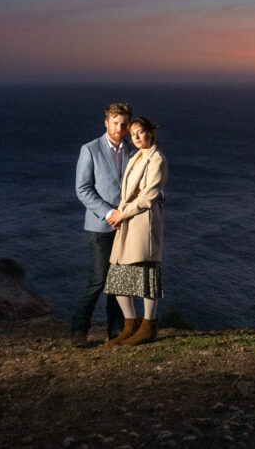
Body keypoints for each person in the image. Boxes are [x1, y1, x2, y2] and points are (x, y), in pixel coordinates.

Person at [70, 102, 132, 348]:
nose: (120, 127)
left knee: (121, 279)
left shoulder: (133, 149)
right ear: (106, 123)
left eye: (124, 123)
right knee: (98, 280)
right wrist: (109, 212)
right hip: (100, 225)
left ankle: (116, 330)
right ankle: (78, 330)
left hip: (127, 225)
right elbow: (82, 189)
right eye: (115, 123)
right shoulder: (90, 149)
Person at [104, 116, 166, 346]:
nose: (137, 137)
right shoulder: (136, 156)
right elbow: (130, 193)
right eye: (133, 134)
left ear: (151, 133)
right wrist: (120, 214)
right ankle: (130, 325)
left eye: (141, 132)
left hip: (143, 223)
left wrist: (122, 213)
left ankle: (148, 326)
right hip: (128, 221)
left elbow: (149, 197)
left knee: (146, 274)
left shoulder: (157, 159)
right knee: (119, 276)